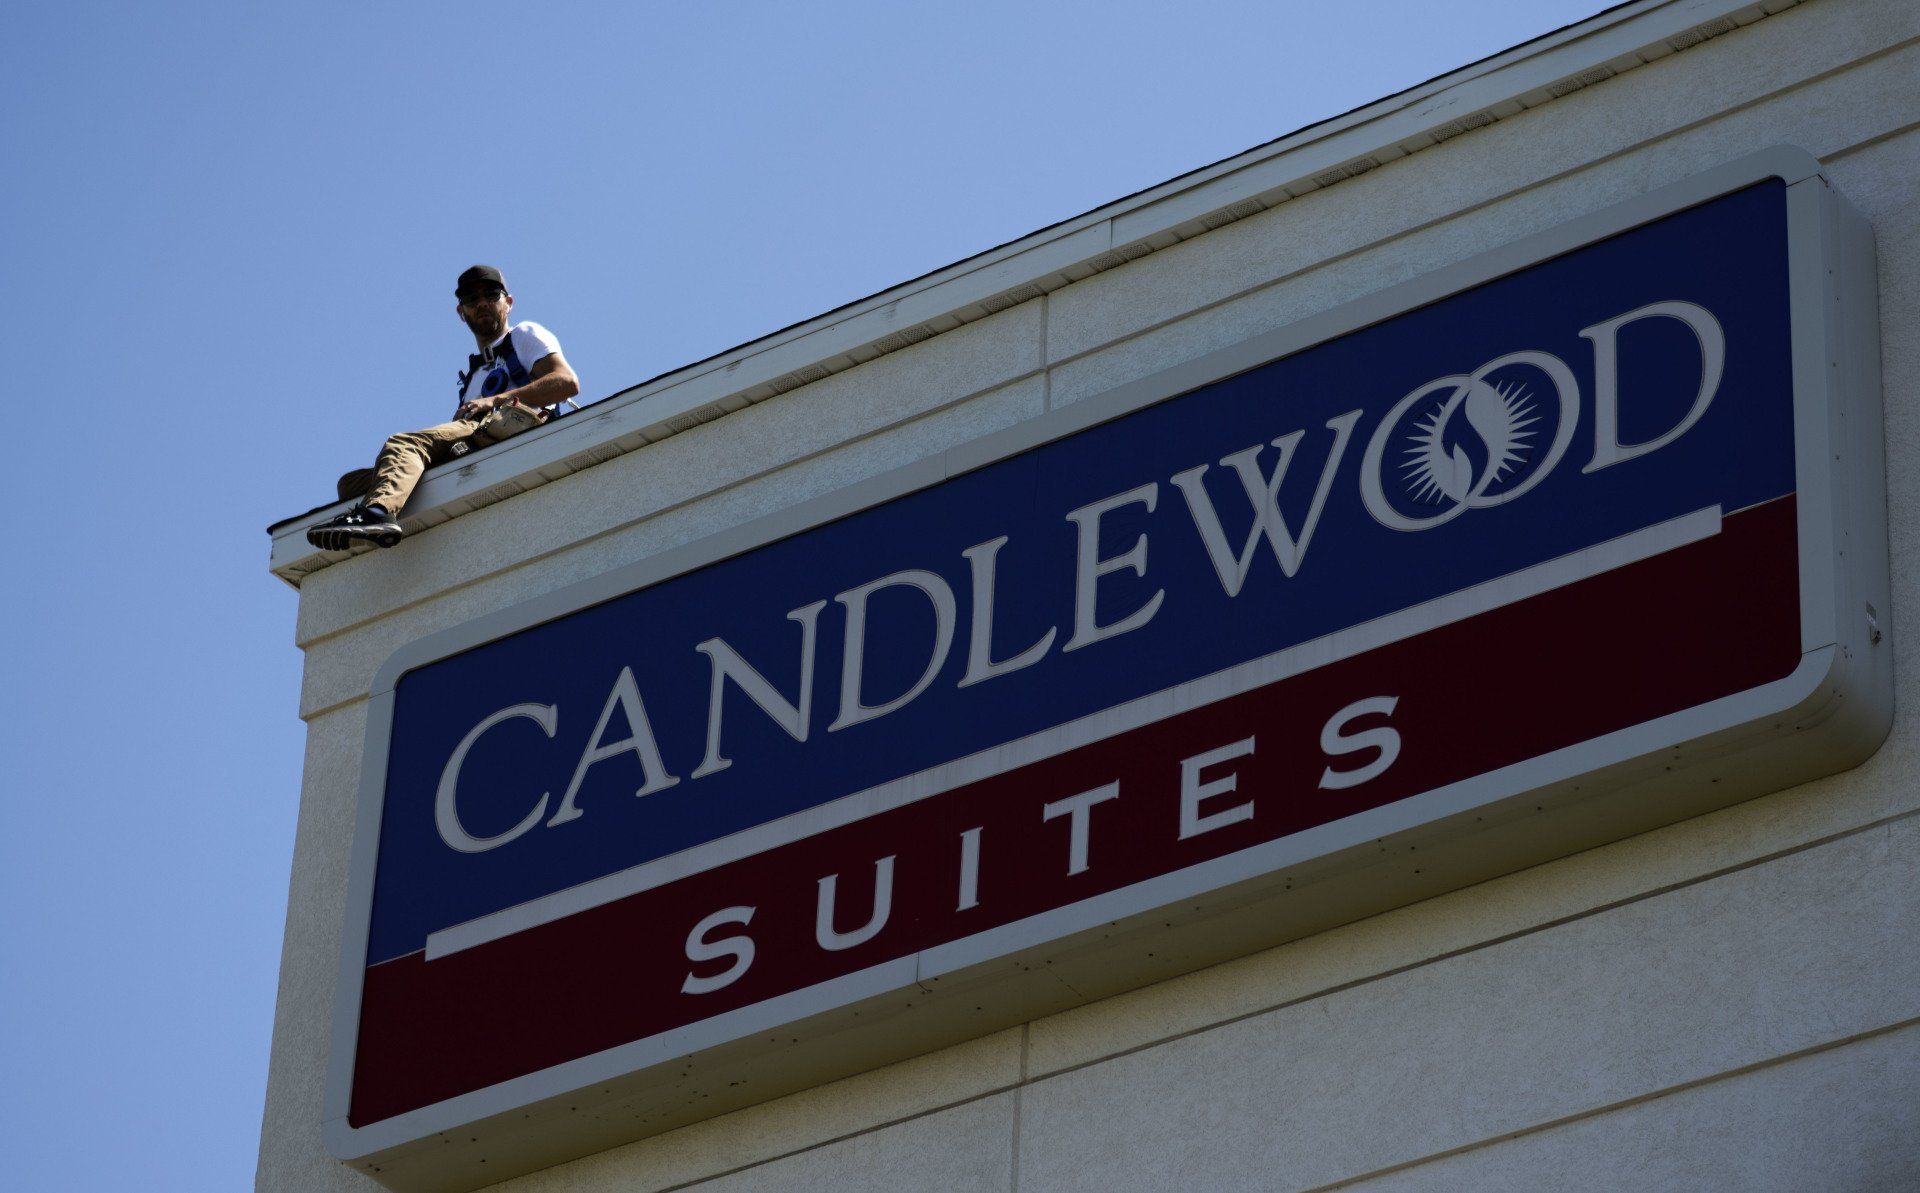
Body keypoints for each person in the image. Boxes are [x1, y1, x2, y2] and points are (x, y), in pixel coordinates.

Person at [307, 265, 581, 550]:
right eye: (472, 300)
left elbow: (566, 382)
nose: (483, 303)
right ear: (461, 312)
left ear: (508, 303)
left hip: (509, 427)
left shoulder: (523, 335)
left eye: (491, 294)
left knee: (404, 445)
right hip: (474, 443)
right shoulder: (474, 376)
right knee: (350, 485)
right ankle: (371, 517)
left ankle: (377, 513)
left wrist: (494, 400)